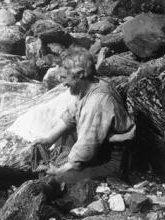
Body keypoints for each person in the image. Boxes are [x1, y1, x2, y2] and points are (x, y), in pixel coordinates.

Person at [33, 46, 136, 184]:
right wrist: (49, 139)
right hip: (100, 146)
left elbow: (88, 143)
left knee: (59, 180)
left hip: (113, 159)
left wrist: (62, 170)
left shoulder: (97, 101)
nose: (62, 83)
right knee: (62, 137)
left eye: (64, 77)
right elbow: (71, 114)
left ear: (80, 74)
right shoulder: (89, 86)